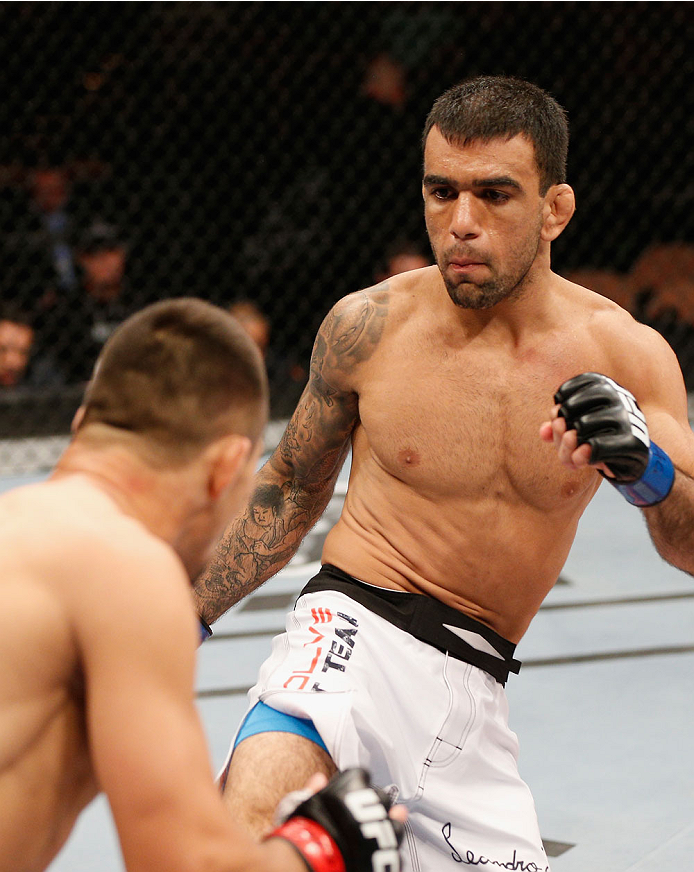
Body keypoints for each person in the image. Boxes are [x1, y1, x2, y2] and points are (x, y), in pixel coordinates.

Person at [193, 75, 694, 871]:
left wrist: (650, 472)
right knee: (253, 818)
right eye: (441, 192)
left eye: (494, 195)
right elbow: (289, 485)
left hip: (476, 696)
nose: (460, 224)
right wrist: (180, 617)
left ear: (555, 209)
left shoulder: (624, 354)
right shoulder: (370, 326)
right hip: (348, 635)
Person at [0, 296, 404, 872]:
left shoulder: (25, 531)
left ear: (80, 422)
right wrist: (318, 847)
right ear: (225, 467)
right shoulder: (127, 571)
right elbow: (183, 864)